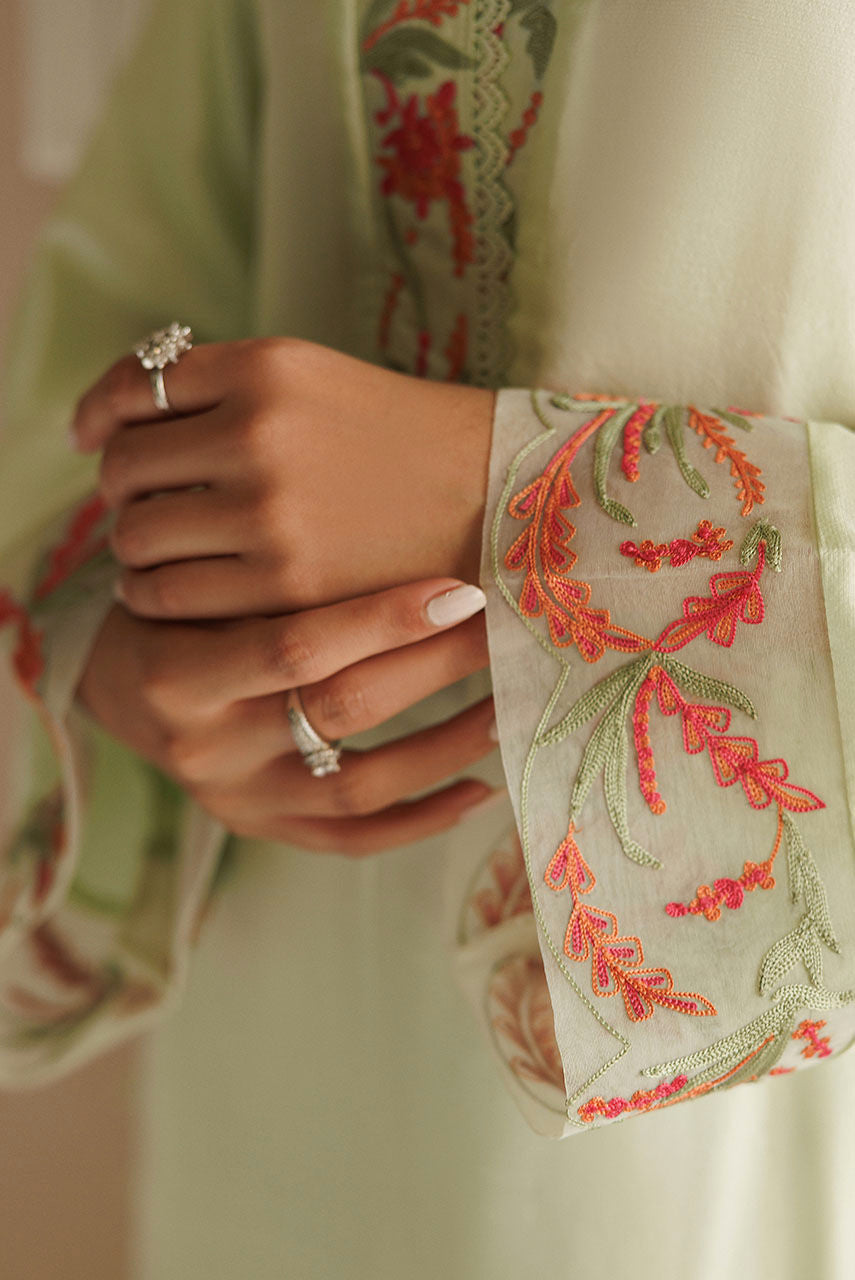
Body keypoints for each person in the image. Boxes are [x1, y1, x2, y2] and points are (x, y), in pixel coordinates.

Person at [3, 1, 855, 1276]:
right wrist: (134, 656)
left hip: (739, 1127)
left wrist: (512, 498)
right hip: (289, 1031)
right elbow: (107, 344)